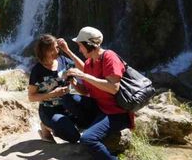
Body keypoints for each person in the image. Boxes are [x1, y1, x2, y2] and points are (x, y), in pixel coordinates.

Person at [64, 27, 133, 160]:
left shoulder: (109, 57)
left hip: (116, 113)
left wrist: (83, 75)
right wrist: (73, 82)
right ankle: (92, 126)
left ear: (89, 45)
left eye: (80, 46)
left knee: (88, 140)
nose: (79, 50)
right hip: (99, 107)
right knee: (67, 99)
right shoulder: (89, 62)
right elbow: (85, 91)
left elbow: (113, 88)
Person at [28, 34, 80, 143]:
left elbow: (85, 69)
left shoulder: (63, 61)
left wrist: (68, 51)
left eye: (57, 48)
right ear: (43, 52)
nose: (56, 52)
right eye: (51, 50)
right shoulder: (37, 71)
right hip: (49, 110)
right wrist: (51, 94)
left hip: (68, 106)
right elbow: (31, 97)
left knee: (86, 124)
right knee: (74, 137)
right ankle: (46, 127)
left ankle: (61, 124)